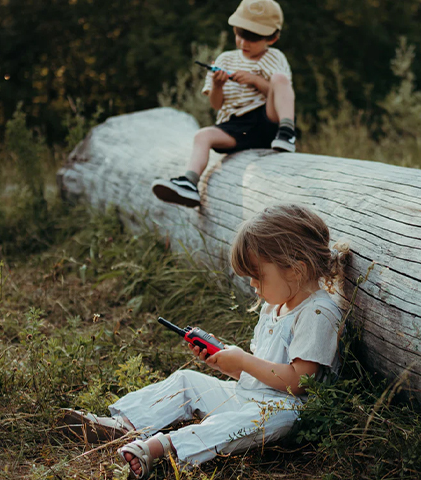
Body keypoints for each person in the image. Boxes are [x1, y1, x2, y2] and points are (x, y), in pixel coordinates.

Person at [58, 204, 349, 478]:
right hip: (249, 396)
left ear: (296, 269)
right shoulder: (274, 306)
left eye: (257, 276)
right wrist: (226, 363)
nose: (252, 284)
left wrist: (243, 360)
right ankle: (124, 426)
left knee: (262, 420)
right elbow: (259, 375)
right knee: (187, 380)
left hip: (286, 411)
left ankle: (164, 448)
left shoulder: (317, 312)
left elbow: (299, 382)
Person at [151, 0, 297, 208]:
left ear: (271, 38)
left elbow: (282, 92)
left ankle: (287, 133)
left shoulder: (275, 57)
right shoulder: (225, 60)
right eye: (240, 34)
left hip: (267, 120)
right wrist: (217, 85)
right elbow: (217, 104)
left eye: (253, 38)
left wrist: (255, 81)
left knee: (280, 79)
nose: (244, 43)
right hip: (236, 126)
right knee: (202, 136)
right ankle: (189, 182)